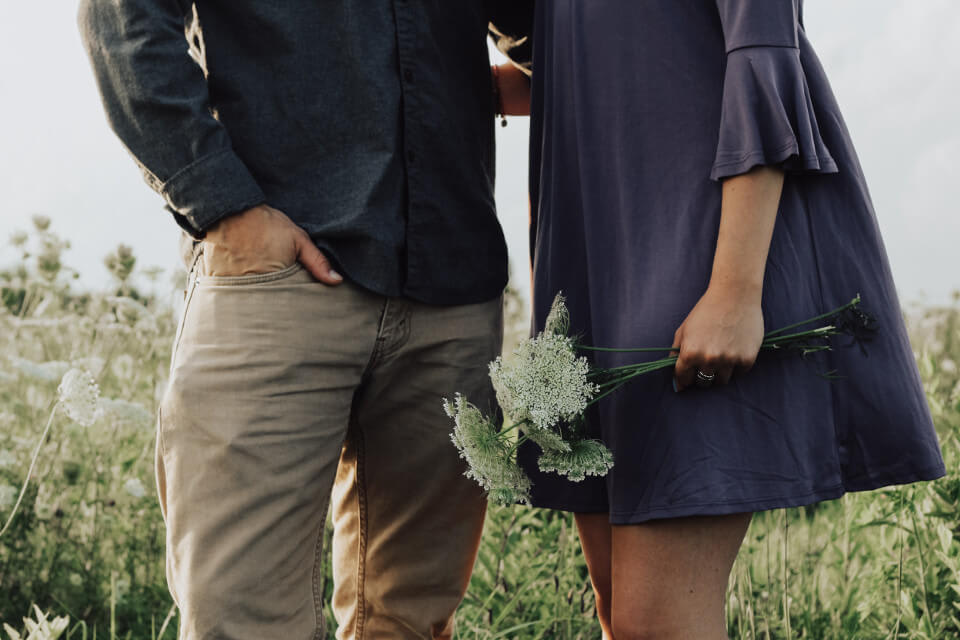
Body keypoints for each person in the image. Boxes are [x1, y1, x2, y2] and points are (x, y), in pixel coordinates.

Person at [78, 2, 530, 638]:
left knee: (409, 622)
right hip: (272, 279)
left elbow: (544, 26)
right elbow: (122, 20)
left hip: (449, 286)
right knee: (240, 620)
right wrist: (224, 208)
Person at [507, 1, 947, 638]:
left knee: (654, 623)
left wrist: (735, 290)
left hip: (704, 254)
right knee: (622, 617)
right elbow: (546, 45)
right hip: (597, 257)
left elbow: (764, 53)